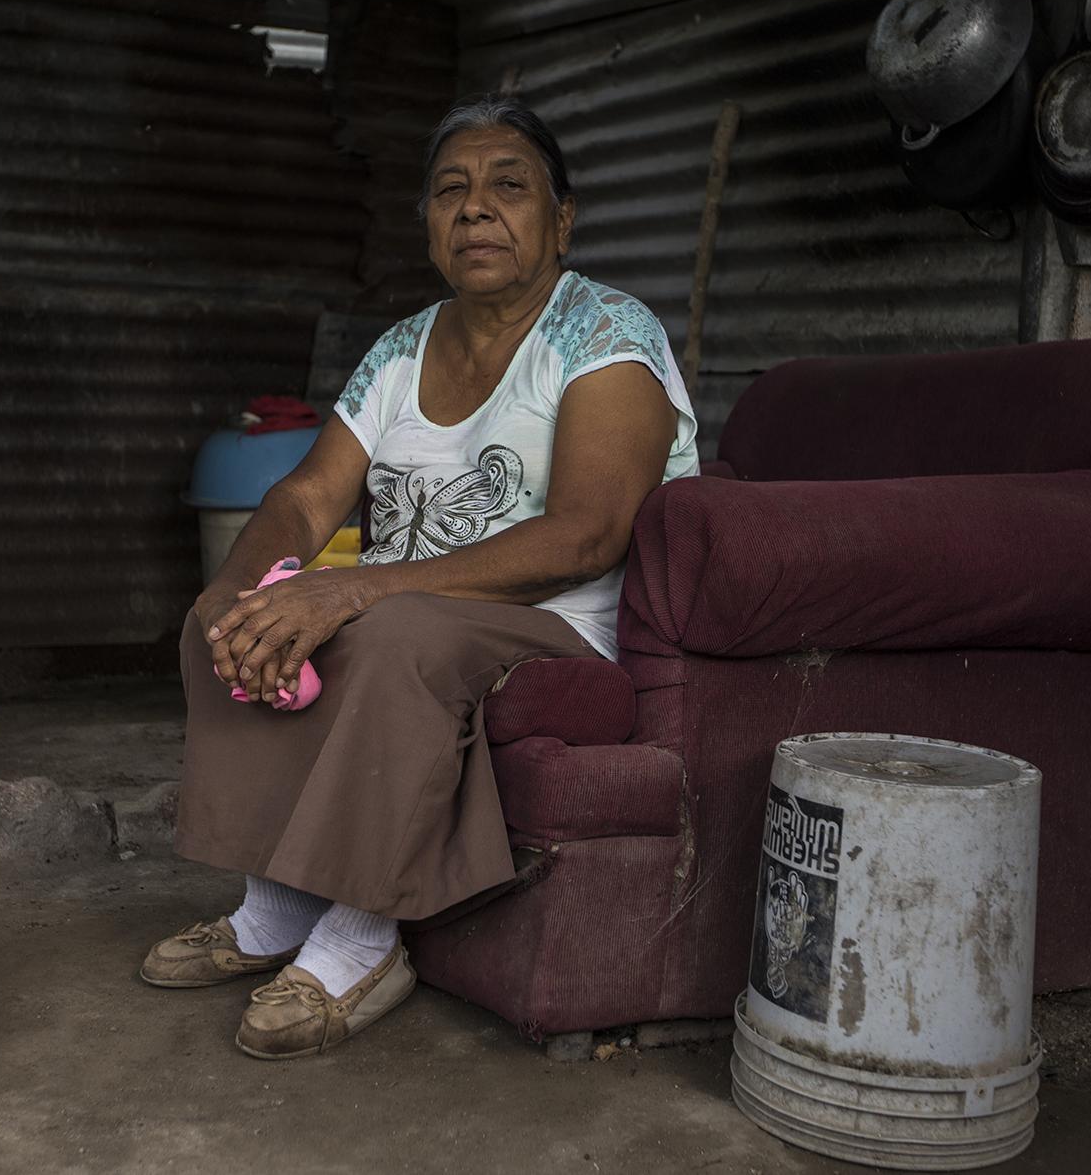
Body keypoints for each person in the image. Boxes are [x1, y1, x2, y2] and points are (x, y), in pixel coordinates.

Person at [144, 97, 699, 1059]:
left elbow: (585, 535)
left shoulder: (605, 330)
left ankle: (364, 941)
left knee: (389, 632)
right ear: (430, 227)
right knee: (237, 615)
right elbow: (309, 497)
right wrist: (236, 590)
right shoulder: (401, 347)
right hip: (420, 605)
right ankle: (275, 907)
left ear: (562, 220)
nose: (476, 210)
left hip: (560, 623)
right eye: (451, 192)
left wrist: (355, 588)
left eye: (508, 187)